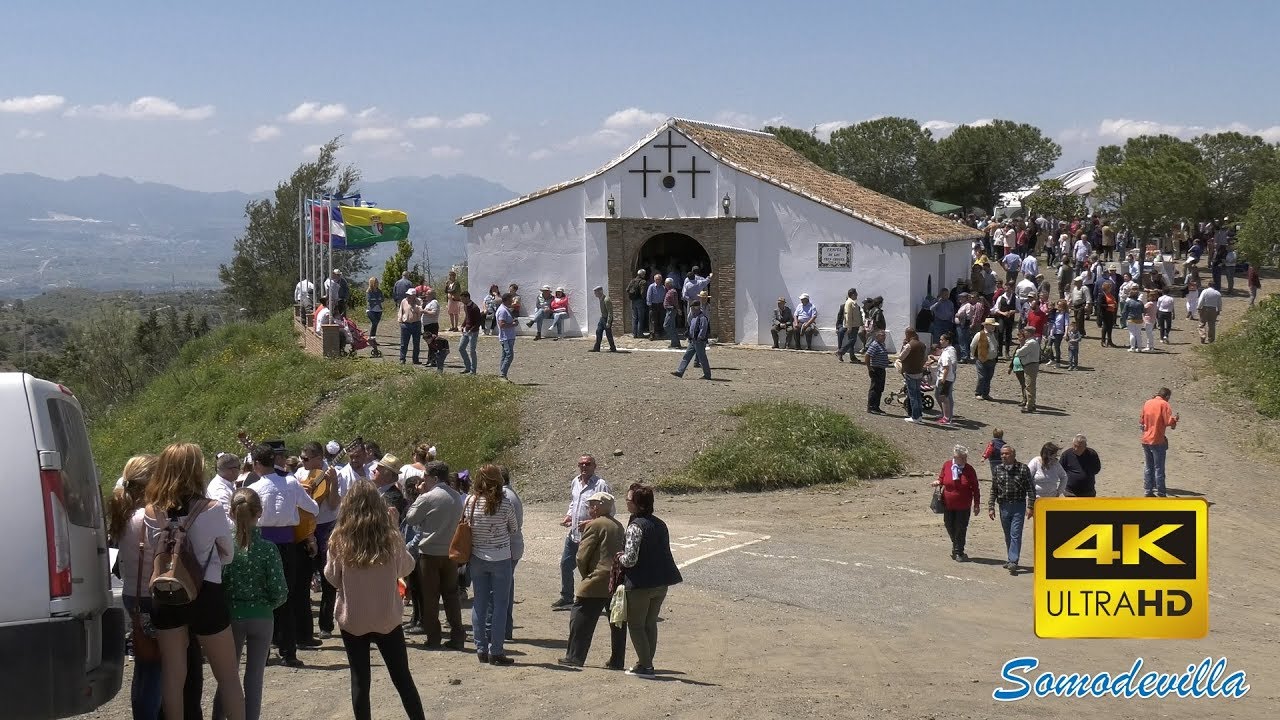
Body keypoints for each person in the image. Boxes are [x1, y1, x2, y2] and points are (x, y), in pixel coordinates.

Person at [143, 443, 244, 720]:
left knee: (173, 677)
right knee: (227, 677)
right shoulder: (211, 509)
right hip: (206, 593)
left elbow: (153, 551)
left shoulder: (152, 512)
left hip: (166, 592)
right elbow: (228, 554)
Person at [324, 481, 425, 720]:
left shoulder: (339, 539)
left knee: (360, 679)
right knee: (402, 678)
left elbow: (331, 578)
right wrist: (395, 529)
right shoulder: (389, 538)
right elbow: (407, 567)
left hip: (353, 617)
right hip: (386, 616)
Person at [212, 489, 287, 720]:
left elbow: (219, 585)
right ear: (260, 513)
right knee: (254, 678)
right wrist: (266, 606)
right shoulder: (268, 549)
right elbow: (280, 591)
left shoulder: (224, 547)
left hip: (232, 617)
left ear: (231, 513)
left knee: (227, 676)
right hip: (263, 617)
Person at [247, 445, 318, 667]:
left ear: (257, 464)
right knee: (285, 596)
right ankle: (289, 652)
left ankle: (263, 651)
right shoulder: (290, 483)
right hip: (287, 544)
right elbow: (313, 508)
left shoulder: (254, 488)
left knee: (261, 596)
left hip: (262, 543)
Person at [108, 455, 168, 720]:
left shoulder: (124, 515)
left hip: (133, 592)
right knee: (156, 665)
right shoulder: (148, 517)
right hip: (151, 594)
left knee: (144, 663)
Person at [619, 483, 682, 678]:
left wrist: (617, 556)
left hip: (640, 585)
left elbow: (629, 559)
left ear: (638, 504)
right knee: (650, 624)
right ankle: (645, 662)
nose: (627, 503)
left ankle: (646, 667)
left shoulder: (635, 527)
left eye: (629, 500)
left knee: (636, 625)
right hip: (661, 583)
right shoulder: (660, 523)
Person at [558, 491, 627, 669]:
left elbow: (582, 556)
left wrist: (587, 574)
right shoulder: (618, 525)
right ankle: (617, 660)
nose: (589, 508)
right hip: (616, 579)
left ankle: (575, 656)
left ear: (598, 506)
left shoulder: (595, 525)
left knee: (580, 619)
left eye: (591, 505)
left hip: (596, 579)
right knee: (617, 622)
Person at [404, 460, 466, 649]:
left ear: (433, 478)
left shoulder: (428, 497)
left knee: (430, 597)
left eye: (426, 477)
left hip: (429, 553)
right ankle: (457, 635)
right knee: (451, 596)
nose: (423, 481)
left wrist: (420, 495)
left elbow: (411, 517)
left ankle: (434, 637)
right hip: (450, 553)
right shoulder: (456, 497)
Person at [466, 465, 520, 666]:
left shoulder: (471, 501)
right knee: (499, 605)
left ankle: (480, 648)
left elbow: (465, 524)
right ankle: (496, 650)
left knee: (479, 603)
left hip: (477, 556)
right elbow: (514, 529)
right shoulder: (505, 504)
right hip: (501, 557)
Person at [555, 457, 610, 609]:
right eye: (581, 464)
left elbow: (609, 511)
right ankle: (567, 597)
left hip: (590, 536)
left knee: (590, 569)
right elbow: (574, 503)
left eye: (588, 464)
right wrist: (569, 515)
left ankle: (591, 600)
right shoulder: (575, 482)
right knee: (566, 565)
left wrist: (591, 523)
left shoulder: (600, 485)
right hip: (574, 535)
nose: (584, 466)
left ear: (594, 466)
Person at [988, 445, 1035, 576]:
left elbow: (1031, 489)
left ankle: (1013, 560)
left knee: (1015, 533)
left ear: (1013, 455)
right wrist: (991, 507)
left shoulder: (1023, 469)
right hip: (1003, 506)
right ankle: (1010, 559)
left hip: (1018, 506)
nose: (1003, 456)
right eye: (1002, 454)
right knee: (1008, 534)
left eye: (1006, 454)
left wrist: (1031, 506)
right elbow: (994, 489)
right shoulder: (998, 469)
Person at [932, 445, 980, 562]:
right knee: (949, 525)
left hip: (964, 504)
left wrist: (977, 504)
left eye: (965, 457)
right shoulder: (947, 465)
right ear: (955, 457)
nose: (965, 460)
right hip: (948, 503)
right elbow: (942, 478)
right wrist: (938, 481)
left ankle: (959, 551)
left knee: (961, 527)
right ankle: (956, 544)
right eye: (962, 458)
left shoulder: (969, 469)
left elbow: (975, 488)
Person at [1141, 388, 1180, 497]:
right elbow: (1168, 421)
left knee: (1148, 466)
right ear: (1167, 396)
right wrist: (1175, 419)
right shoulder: (1164, 404)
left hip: (1145, 439)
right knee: (1159, 468)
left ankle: (1148, 490)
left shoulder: (1147, 403)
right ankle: (1161, 492)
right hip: (1157, 440)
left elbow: (1141, 421)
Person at [671, 300, 712, 379]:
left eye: (693, 307)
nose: (692, 309)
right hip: (693, 341)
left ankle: (707, 375)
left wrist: (700, 337)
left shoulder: (702, 317)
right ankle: (680, 371)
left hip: (699, 341)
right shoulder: (694, 317)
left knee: (702, 358)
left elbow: (703, 329)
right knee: (687, 356)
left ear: (696, 307)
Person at [898, 327, 926, 423]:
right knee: (918, 394)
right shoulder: (923, 345)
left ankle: (915, 416)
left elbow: (901, 357)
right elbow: (924, 358)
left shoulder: (909, 346)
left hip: (910, 372)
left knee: (913, 395)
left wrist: (903, 345)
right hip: (919, 372)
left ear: (908, 334)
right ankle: (920, 415)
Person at [1010, 327, 1041, 413]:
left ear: (1029, 333)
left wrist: (1018, 351)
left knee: (1029, 386)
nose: (1024, 333)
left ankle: (1030, 405)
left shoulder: (1030, 343)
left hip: (1030, 365)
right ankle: (1031, 403)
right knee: (1030, 385)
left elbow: (1019, 352)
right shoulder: (1032, 342)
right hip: (1031, 364)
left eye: (1025, 332)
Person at [971, 317, 999, 401]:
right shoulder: (979, 334)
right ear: (986, 325)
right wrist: (973, 356)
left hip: (992, 360)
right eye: (992, 325)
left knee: (988, 377)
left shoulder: (993, 334)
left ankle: (985, 393)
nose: (993, 327)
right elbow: (973, 346)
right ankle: (978, 393)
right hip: (982, 359)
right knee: (982, 377)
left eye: (994, 325)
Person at [932, 331, 957, 424]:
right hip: (947, 377)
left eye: (942, 340)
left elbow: (947, 366)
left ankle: (947, 417)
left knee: (944, 397)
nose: (940, 341)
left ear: (947, 341)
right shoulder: (947, 350)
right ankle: (945, 414)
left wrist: (943, 379)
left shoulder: (948, 352)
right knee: (941, 396)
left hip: (945, 377)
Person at [864, 329, 890, 414]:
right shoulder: (875, 345)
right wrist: (869, 368)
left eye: (884, 336)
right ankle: (871, 406)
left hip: (882, 369)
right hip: (876, 369)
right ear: (877, 336)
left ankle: (876, 406)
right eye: (882, 336)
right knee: (874, 388)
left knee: (880, 388)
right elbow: (867, 356)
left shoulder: (882, 345)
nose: (884, 337)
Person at [458, 290, 482, 375]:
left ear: (467, 298)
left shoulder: (475, 307)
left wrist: (471, 330)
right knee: (461, 348)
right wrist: (463, 325)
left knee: (472, 351)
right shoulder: (465, 306)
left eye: (463, 299)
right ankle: (467, 367)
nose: (462, 301)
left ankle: (473, 370)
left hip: (473, 332)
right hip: (466, 331)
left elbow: (478, 322)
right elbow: (467, 316)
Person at [398, 287, 423, 365]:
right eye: (408, 295)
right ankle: (402, 359)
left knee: (416, 343)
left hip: (416, 324)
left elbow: (420, 311)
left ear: (414, 296)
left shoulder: (419, 301)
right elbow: (400, 311)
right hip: (406, 324)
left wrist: (413, 306)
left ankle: (415, 359)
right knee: (404, 343)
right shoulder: (404, 301)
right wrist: (400, 321)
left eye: (410, 295)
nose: (408, 296)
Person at [589, 285, 618, 352]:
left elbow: (610, 312)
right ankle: (596, 348)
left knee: (608, 334)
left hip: (607, 319)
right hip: (602, 318)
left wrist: (608, 322)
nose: (595, 294)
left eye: (596, 292)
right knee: (598, 332)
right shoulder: (601, 299)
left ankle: (613, 348)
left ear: (600, 291)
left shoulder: (606, 300)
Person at [836, 288, 863, 360]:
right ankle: (841, 351)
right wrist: (849, 326)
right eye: (856, 293)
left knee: (852, 341)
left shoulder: (853, 302)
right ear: (853, 294)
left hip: (855, 325)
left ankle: (852, 356)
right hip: (852, 325)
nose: (857, 295)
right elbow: (848, 315)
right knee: (852, 340)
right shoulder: (849, 302)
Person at [496, 292, 517, 382]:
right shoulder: (502, 310)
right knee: (509, 355)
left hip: (509, 336)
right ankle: (502, 375)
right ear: (507, 299)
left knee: (504, 355)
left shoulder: (506, 309)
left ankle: (502, 375)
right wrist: (512, 324)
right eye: (510, 299)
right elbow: (502, 324)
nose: (512, 300)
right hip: (506, 337)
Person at [1120, 288, 1145, 352]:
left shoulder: (1128, 302)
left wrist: (1124, 318)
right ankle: (1139, 348)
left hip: (1131, 319)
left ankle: (1132, 347)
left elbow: (1124, 312)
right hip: (1139, 319)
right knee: (1138, 334)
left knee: (1132, 334)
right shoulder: (1140, 303)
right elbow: (1143, 311)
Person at [626, 269, 649, 338]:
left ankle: (634, 334)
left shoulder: (632, 280)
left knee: (634, 317)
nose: (644, 275)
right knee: (640, 318)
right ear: (642, 275)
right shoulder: (643, 282)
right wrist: (644, 299)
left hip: (633, 301)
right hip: (640, 301)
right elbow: (642, 293)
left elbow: (627, 289)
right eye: (644, 274)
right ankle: (639, 334)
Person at [645, 274, 666, 340]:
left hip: (660, 304)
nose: (658, 281)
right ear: (654, 280)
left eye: (659, 279)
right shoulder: (651, 286)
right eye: (657, 279)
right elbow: (649, 295)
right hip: (653, 305)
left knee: (660, 319)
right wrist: (649, 304)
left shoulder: (663, 287)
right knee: (652, 320)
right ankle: (652, 333)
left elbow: (664, 296)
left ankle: (659, 332)